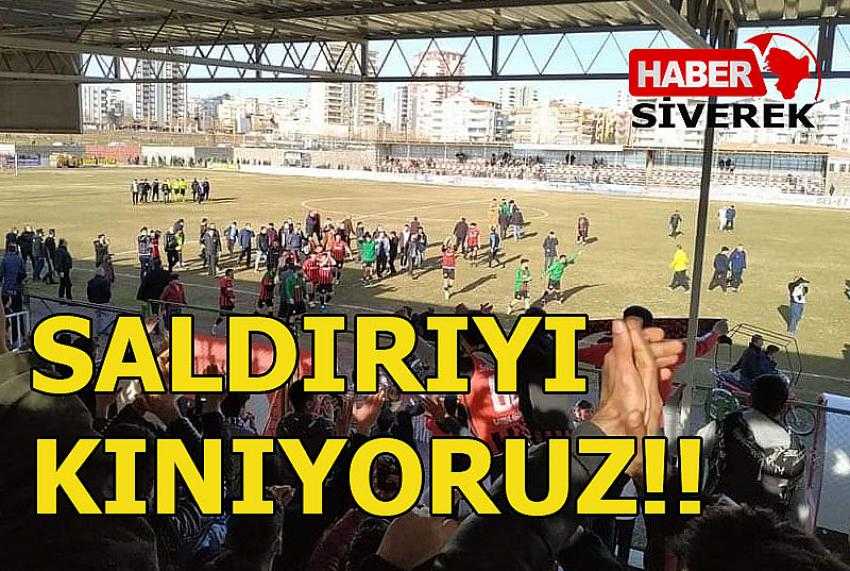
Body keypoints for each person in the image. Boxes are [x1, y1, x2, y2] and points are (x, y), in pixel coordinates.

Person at [705, 374, 805, 516]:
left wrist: (689, 505)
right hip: (764, 524)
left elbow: (689, 451)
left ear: (749, 400)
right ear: (783, 407)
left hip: (717, 516)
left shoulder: (724, 424)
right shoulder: (796, 447)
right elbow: (799, 507)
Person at [213, 269, 236, 335]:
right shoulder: (226, 281)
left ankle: (227, 331)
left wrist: (232, 297)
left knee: (229, 316)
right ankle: (215, 327)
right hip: (225, 302)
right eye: (232, 273)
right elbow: (225, 291)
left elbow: (229, 291)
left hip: (228, 302)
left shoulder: (226, 280)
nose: (233, 275)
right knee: (222, 316)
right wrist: (231, 298)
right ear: (229, 274)